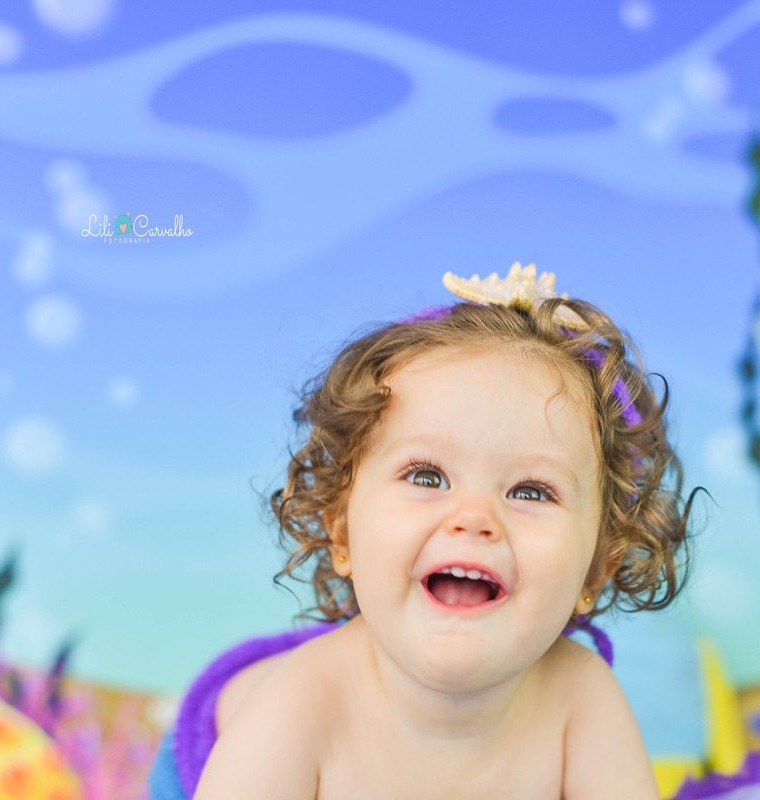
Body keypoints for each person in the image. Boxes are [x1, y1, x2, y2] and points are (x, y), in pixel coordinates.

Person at [188, 264, 695, 799]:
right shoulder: (297, 710)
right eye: (427, 477)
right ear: (342, 535)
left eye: (530, 491)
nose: (473, 516)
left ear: (595, 569)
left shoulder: (580, 699)